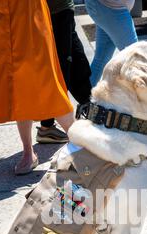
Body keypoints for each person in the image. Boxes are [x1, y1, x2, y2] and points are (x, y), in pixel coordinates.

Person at [0, 0, 74, 175]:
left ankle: (81, 145)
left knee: (44, 79)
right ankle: (28, 152)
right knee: (16, 83)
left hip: (27, 11)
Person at [85, 0, 147, 117]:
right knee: (139, 59)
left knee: (101, 58)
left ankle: (85, 102)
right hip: (112, 7)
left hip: (106, 6)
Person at [36, 0, 92, 144]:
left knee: (78, 63)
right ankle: (46, 126)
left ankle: (91, 111)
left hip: (62, 10)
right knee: (62, 69)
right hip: (52, 12)